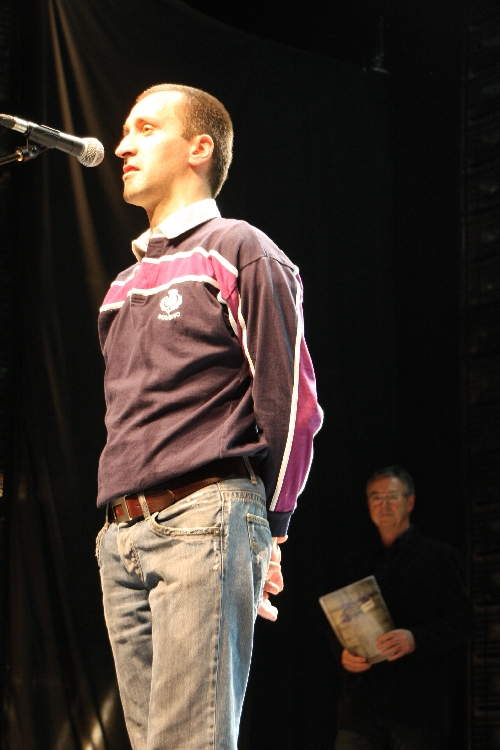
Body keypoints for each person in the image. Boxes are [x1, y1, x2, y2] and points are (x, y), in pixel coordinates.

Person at [94, 83, 323, 750]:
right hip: (120, 534)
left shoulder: (239, 247)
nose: (122, 146)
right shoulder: (120, 287)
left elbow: (292, 404)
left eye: (145, 129)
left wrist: (271, 530)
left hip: (204, 517)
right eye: (125, 131)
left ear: (199, 148)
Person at [333, 466, 473, 750]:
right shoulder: (355, 562)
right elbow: (334, 621)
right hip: (360, 707)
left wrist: (415, 639)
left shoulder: (439, 557)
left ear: (410, 502)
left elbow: (464, 622)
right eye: (376, 497)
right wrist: (342, 653)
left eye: (392, 496)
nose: (383, 504)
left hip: (415, 707)